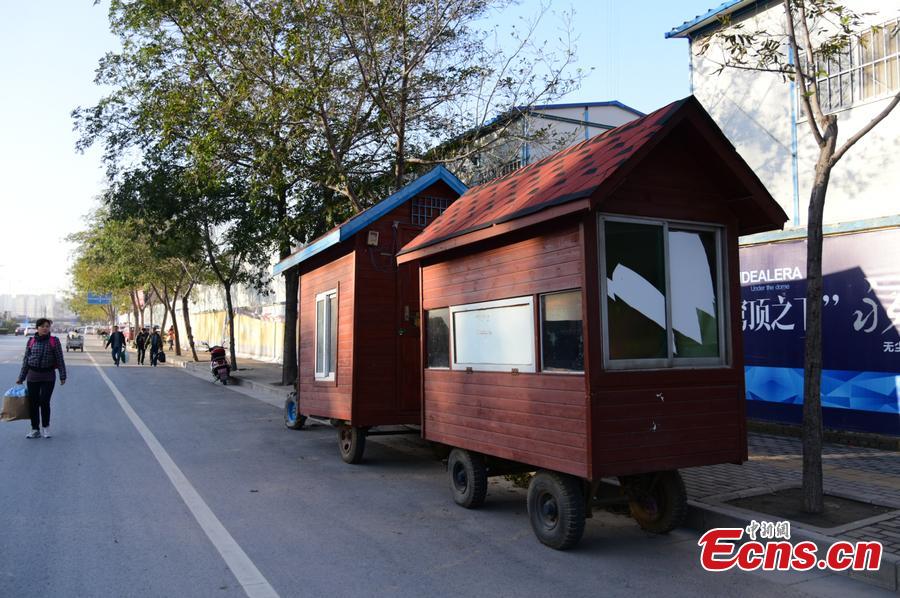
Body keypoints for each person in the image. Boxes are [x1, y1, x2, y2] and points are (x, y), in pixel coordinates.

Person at [16, 318, 66, 439]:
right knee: (33, 403)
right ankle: (34, 429)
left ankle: (46, 427)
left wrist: (62, 375)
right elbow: (26, 361)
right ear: (37, 328)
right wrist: (21, 377)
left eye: (47, 326)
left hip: (48, 376)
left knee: (44, 402)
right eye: (42, 326)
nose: (45, 328)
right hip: (32, 376)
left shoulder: (54, 341)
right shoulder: (31, 341)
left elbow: (59, 359)